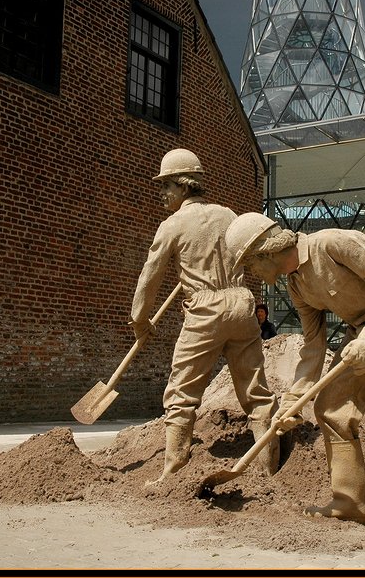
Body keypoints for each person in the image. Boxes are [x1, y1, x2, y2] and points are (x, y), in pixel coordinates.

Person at [225, 213, 365, 554]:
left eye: (251, 264)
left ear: (265, 252)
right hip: (359, 332)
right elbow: (313, 345)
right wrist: (294, 400)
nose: (254, 274)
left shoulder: (332, 242)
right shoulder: (296, 285)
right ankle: (348, 503)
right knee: (331, 409)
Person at [129, 149, 280, 485]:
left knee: (181, 391)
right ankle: (268, 468)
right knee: (255, 391)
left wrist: (140, 319)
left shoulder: (172, 225)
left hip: (205, 312)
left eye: (167, 185)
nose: (162, 193)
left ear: (184, 186)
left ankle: (172, 471)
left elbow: (150, 275)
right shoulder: (228, 214)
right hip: (242, 306)